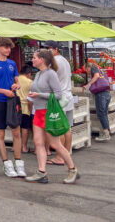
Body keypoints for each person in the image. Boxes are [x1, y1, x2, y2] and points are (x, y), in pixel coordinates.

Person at [25, 49, 79, 184]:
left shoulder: (51, 74)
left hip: (48, 113)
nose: (32, 60)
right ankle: (41, 171)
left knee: (55, 144)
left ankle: (72, 169)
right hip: (38, 112)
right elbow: (35, 90)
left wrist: (39, 95)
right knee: (38, 143)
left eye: (34, 57)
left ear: (42, 60)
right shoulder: (38, 74)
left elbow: (58, 95)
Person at [0, 36, 25, 178]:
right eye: (6, 47)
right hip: (0, 101)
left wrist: (16, 85)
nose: (8, 50)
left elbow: (17, 81)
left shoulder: (12, 63)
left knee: (16, 133)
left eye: (9, 47)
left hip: (12, 101)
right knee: (0, 134)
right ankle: (6, 164)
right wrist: (3, 91)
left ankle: (19, 163)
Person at [44, 41, 74, 166]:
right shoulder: (65, 61)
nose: (46, 51)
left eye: (48, 49)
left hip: (59, 98)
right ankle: (66, 154)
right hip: (68, 95)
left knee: (59, 128)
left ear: (55, 49)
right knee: (67, 128)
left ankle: (59, 157)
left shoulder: (54, 62)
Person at [84, 60, 112, 141]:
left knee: (101, 114)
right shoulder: (100, 70)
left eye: (86, 70)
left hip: (101, 94)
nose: (87, 72)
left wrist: (88, 84)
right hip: (107, 94)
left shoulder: (94, 68)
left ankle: (106, 134)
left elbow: (96, 76)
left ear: (88, 67)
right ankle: (106, 132)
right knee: (104, 113)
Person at [17, 64, 34, 154]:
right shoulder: (29, 82)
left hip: (15, 107)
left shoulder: (15, 80)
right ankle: (24, 147)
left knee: (16, 127)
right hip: (25, 107)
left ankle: (15, 146)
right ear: (28, 74)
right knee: (24, 128)